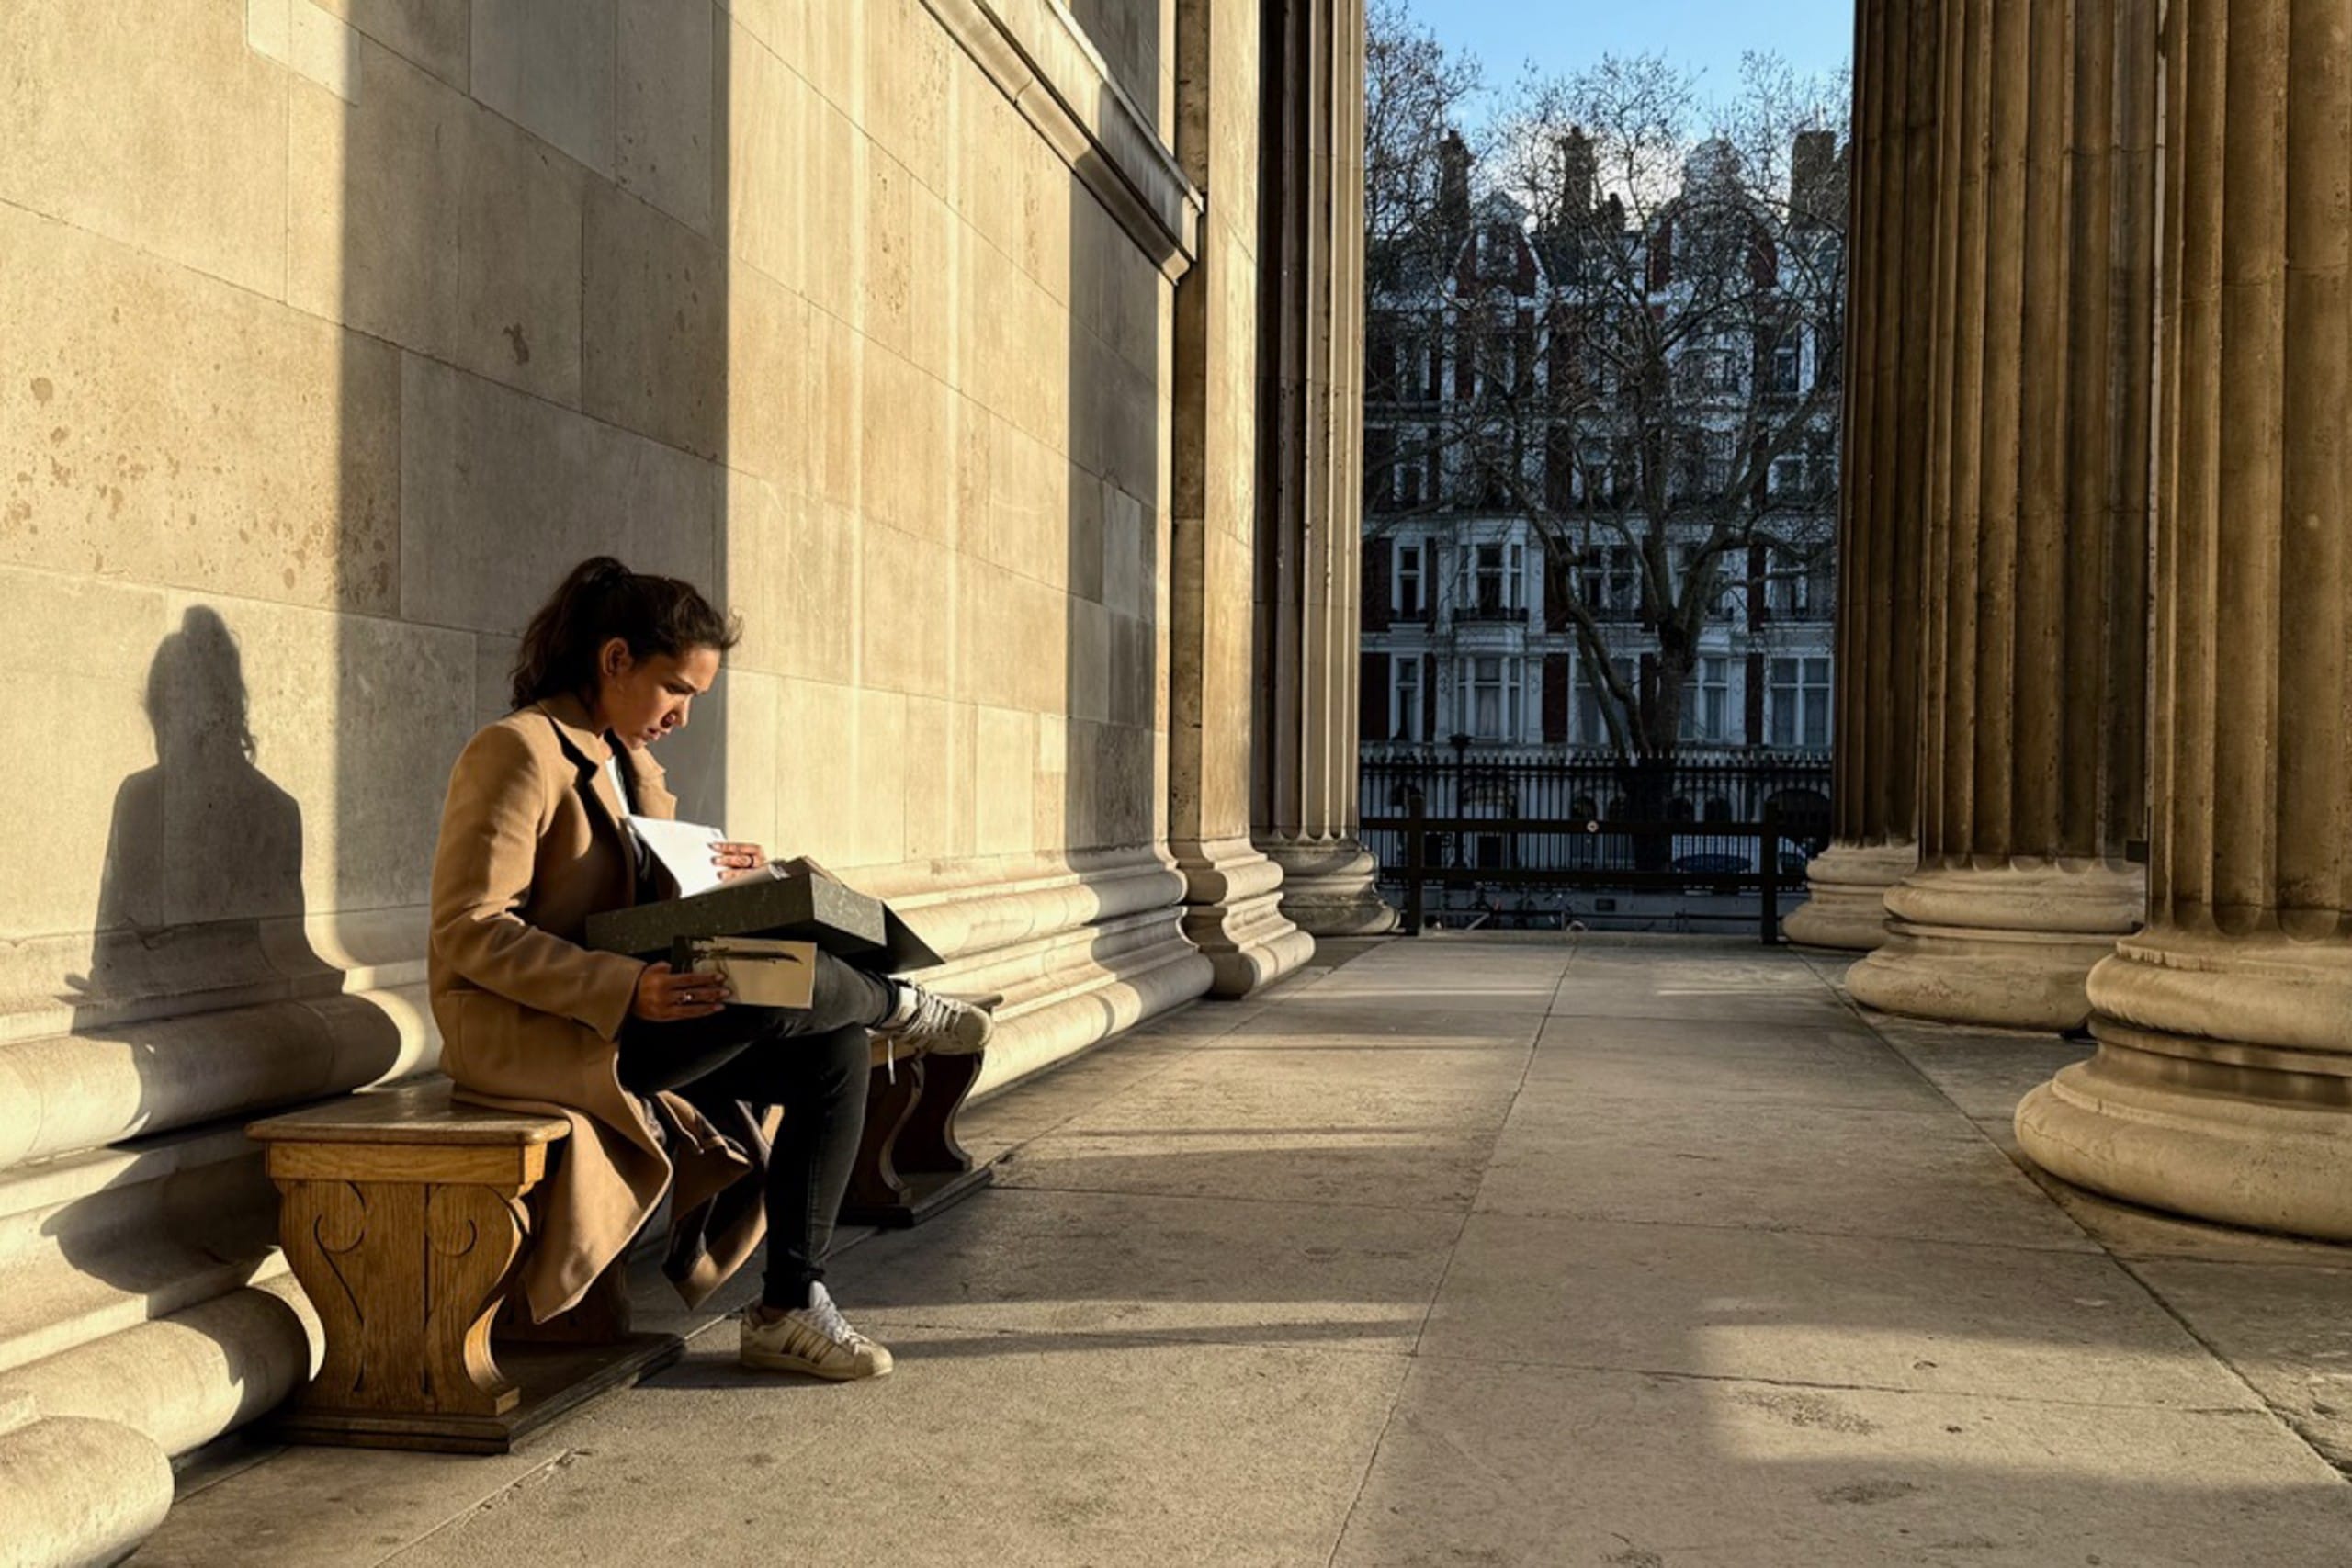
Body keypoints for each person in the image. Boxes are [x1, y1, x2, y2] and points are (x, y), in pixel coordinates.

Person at [426, 556, 992, 1382]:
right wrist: (625, 987)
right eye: (676, 689)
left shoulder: (629, 764)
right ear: (615, 659)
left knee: (831, 1053)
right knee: (767, 994)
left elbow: (647, 905)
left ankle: (789, 1306)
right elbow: (470, 929)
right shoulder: (515, 751)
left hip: (642, 1014)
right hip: (545, 1031)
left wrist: (741, 880)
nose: (684, 716)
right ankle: (896, 1004)